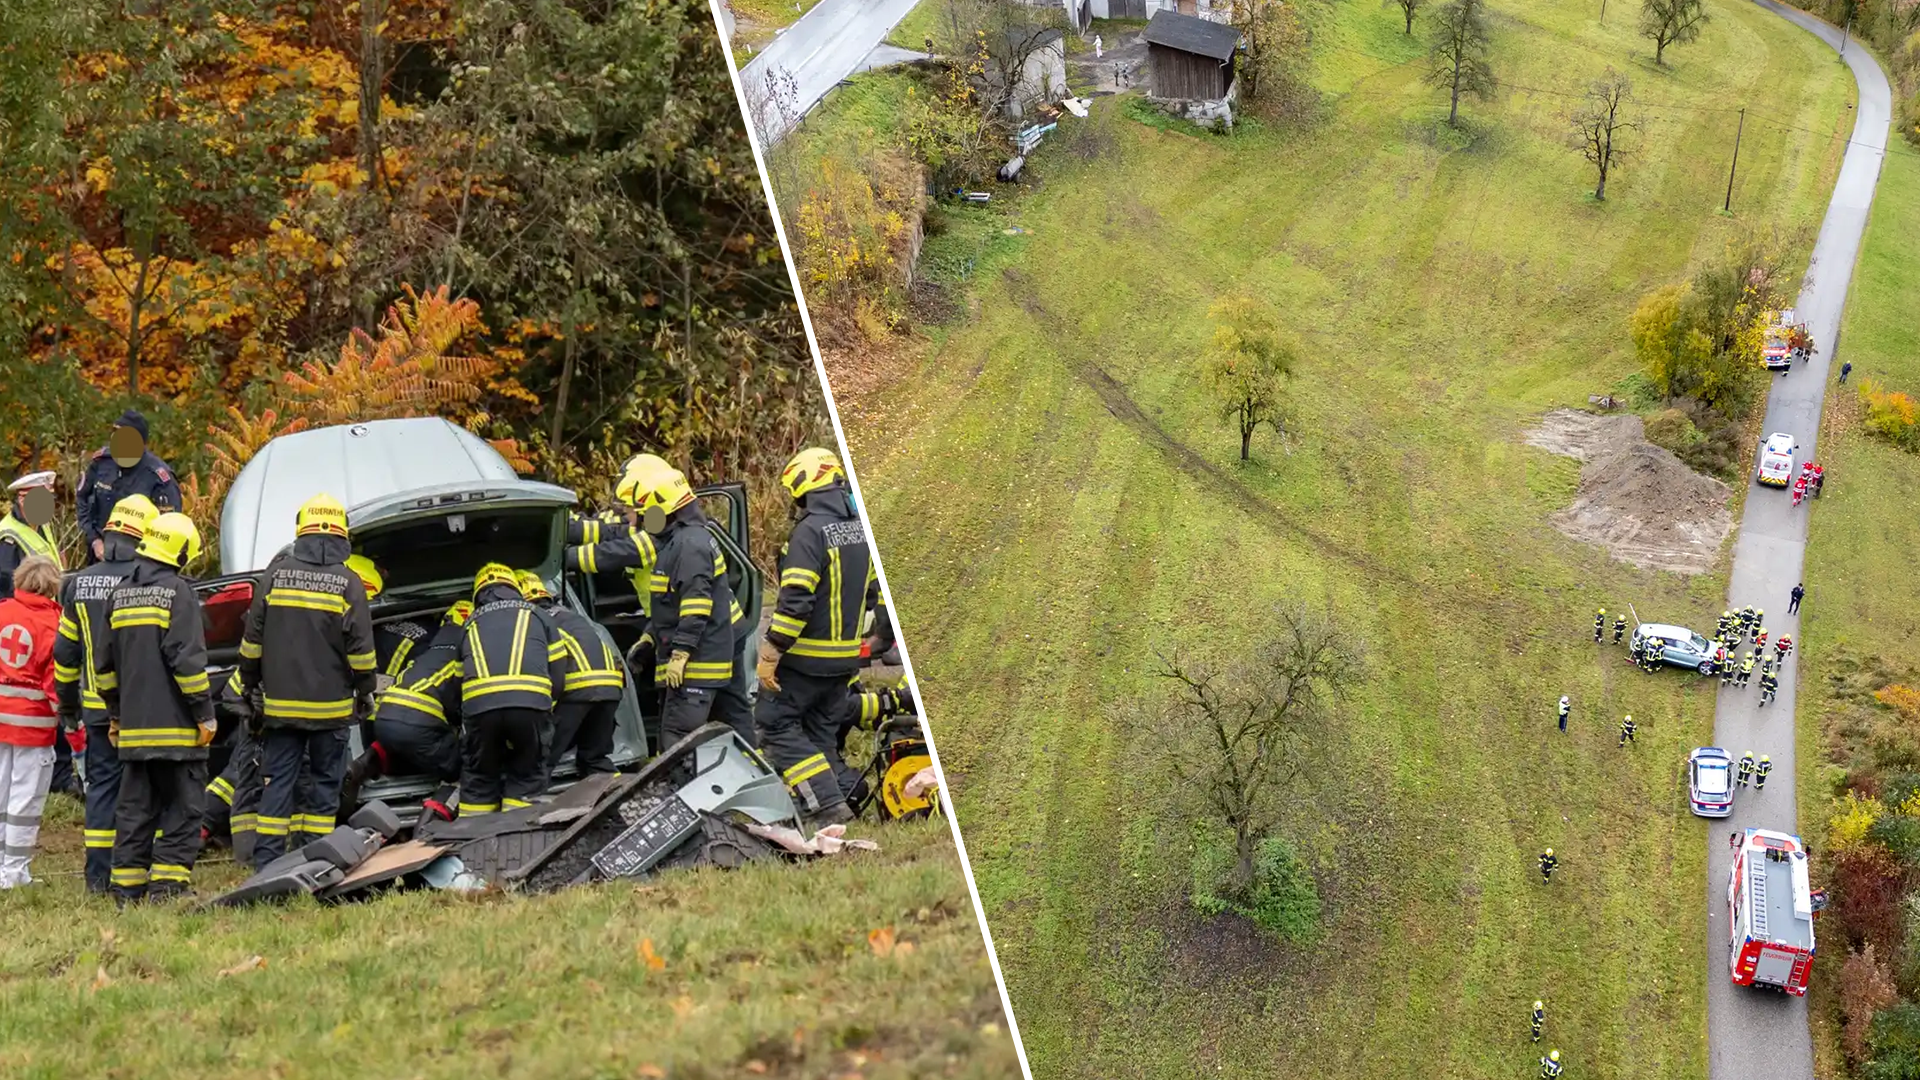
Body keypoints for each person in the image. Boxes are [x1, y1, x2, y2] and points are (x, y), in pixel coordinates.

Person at [236, 494, 377, 870]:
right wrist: (365, 693)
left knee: (277, 784)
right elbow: (361, 653)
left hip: (280, 710)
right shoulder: (349, 583)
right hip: (331, 711)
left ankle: (267, 862)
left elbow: (252, 642)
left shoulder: (275, 575)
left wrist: (250, 686)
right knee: (324, 785)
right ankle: (314, 858)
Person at [96, 513, 215, 902]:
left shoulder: (119, 593)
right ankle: (167, 889)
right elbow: (187, 663)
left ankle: (126, 891)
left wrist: (115, 714)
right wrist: (204, 714)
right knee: (184, 810)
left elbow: (104, 667)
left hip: (133, 731)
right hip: (178, 732)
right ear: (179, 551)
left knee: (134, 812)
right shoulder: (178, 592)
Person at [755, 449, 877, 826]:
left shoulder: (809, 532)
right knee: (819, 736)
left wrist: (772, 651)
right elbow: (871, 596)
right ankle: (844, 798)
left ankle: (827, 808)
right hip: (844, 662)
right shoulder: (860, 528)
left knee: (775, 725)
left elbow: (794, 603)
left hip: (805, 661)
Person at [52, 494, 156, 892]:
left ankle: (98, 876)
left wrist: (67, 706)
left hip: (96, 712)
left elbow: (65, 652)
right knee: (147, 790)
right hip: (146, 711)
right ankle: (141, 870)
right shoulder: (151, 581)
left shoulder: (76, 584)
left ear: (109, 533)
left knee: (102, 791)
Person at [634, 469, 756, 747]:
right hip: (713, 653)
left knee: (677, 739)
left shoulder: (688, 545)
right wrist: (650, 636)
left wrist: (680, 653)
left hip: (696, 663)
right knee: (736, 728)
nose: (643, 520)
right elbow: (672, 604)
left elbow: (696, 603)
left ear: (664, 511)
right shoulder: (689, 539)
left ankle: (681, 787)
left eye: (646, 513)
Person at [342, 601, 472, 823]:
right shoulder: (468, 648)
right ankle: (429, 821)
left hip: (386, 715)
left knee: (396, 747)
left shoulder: (436, 643)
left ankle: (361, 766)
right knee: (471, 766)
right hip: (419, 722)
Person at [457, 564, 564, 814]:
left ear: (478, 595)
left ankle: (473, 838)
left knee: (479, 778)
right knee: (527, 774)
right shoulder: (539, 615)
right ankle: (518, 835)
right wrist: (546, 708)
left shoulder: (469, 624)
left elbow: (456, 683)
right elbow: (558, 674)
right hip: (531, 705)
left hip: (479, 709)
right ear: (514, 589)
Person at [517, 572, 623, 779]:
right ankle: (622, 797)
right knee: (595, 757)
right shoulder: (569, 615)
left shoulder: (534, 620)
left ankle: (528, 804)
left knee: (542, 759)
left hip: (578, 691)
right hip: (611, 688)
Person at [0, 557, 65, 887]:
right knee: (24, 800)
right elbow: (56, 682)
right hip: (32, 727)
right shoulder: (54, 624)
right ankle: (14, 873)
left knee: (0, 794)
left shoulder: (2, 611)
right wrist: (70, 720)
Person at [76, 410, 180, 565]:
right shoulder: (102, 462)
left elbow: (170, 526)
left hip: (139, 565)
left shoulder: (158, 477)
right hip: (99, 558)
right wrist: (94, 540)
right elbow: (82, 499)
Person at [0, 471, 64, 598]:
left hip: (50, 606)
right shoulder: (8, 537)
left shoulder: (43, 524)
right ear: (22, 500)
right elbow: (6, 589)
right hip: (27, 612)